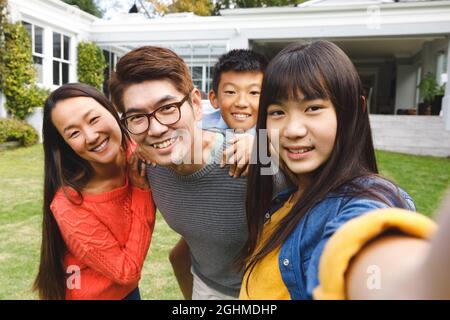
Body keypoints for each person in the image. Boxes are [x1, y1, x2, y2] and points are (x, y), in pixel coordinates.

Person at [239, 40, 449, 300]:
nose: (293, 130)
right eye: (278, 112)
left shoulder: (365, 200)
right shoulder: (282, 199)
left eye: (313, 108)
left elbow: (367, 250)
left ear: (355, 111)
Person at [109, 46, 286, 300]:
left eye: (168, 107)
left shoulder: (254, 160)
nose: (156, 128)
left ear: (195, 103)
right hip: (206, 286)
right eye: (137, 116)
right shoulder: (147, 166)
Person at [33, 83, 155, 300]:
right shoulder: (69, 205)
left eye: (93, 119)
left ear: (111, 110)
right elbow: (126, 271)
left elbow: (191, 146)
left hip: (125, 291)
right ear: (65, 145)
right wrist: (140, 190)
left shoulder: (137, 153)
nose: (90, 136)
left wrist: (236, 141)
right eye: (73, 133)